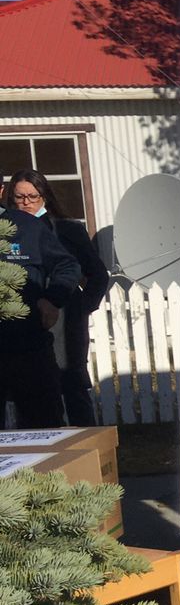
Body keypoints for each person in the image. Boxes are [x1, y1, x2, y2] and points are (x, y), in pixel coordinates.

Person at [2, 171, 111, 426]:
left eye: (32, 196)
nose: (26, 202)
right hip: (26, 326)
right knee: (30, 396)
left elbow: (96, 275)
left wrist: (81, 307)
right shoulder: (10, 230)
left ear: (44, 196)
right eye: (19, 197)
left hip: (64, 322)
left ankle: (86, 448)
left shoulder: (67, 229)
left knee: (71, 385)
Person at [0, 176, 81, 427]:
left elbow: (67, 265)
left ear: (1, 189)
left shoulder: (26, 226)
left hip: (28, 346)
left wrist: (52, 299)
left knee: (44, 427)